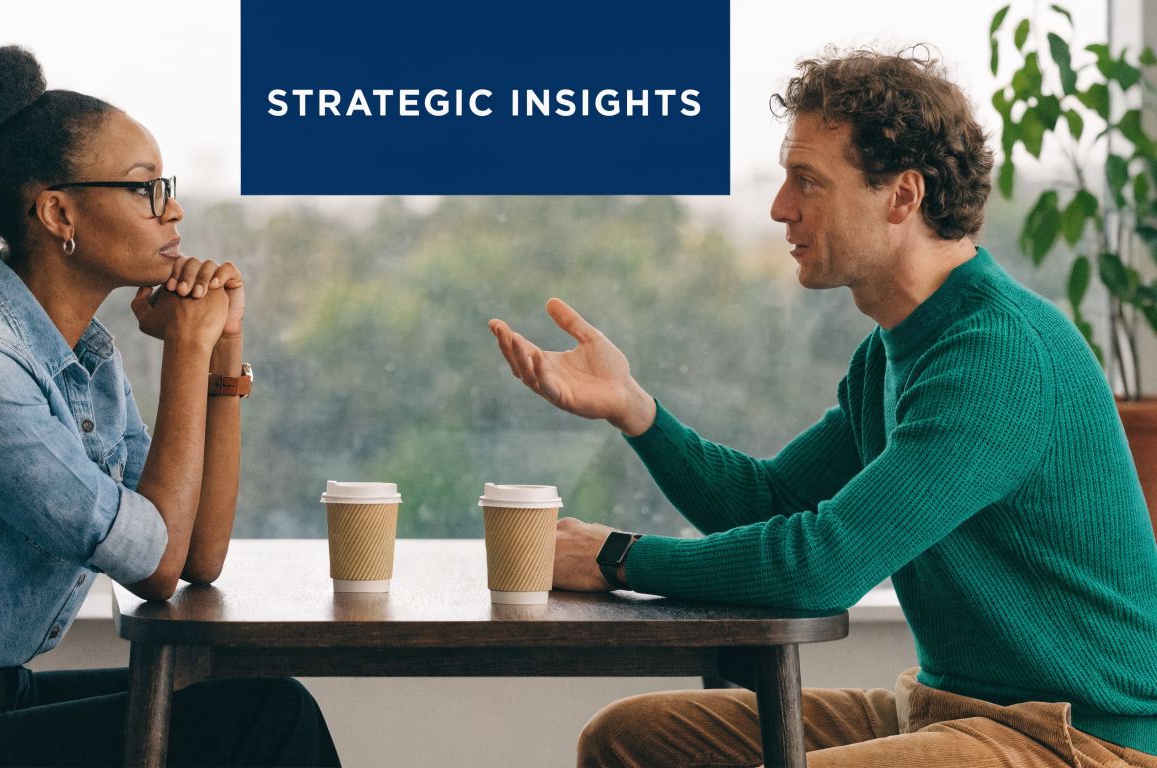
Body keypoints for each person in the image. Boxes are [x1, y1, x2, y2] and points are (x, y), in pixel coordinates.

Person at [489, 47, 1157, 767]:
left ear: (902, 196)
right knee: (629, 738)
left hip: (1075, 738)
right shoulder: (890, 355)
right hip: (946, 709)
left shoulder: (997, 356)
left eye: (807, 181)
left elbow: (822, 565)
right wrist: (636, 411)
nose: (781, 207)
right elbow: (772, 502)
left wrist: (618, 558)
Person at [0, 46, 339, 767]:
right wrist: (185, 350)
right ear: (59, 212)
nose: (173, 209)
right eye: (144, 187)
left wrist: (222, 352)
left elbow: (197, 554)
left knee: (263, 700)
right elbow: (154, 567)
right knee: (263, 720)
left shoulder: (85, 360)